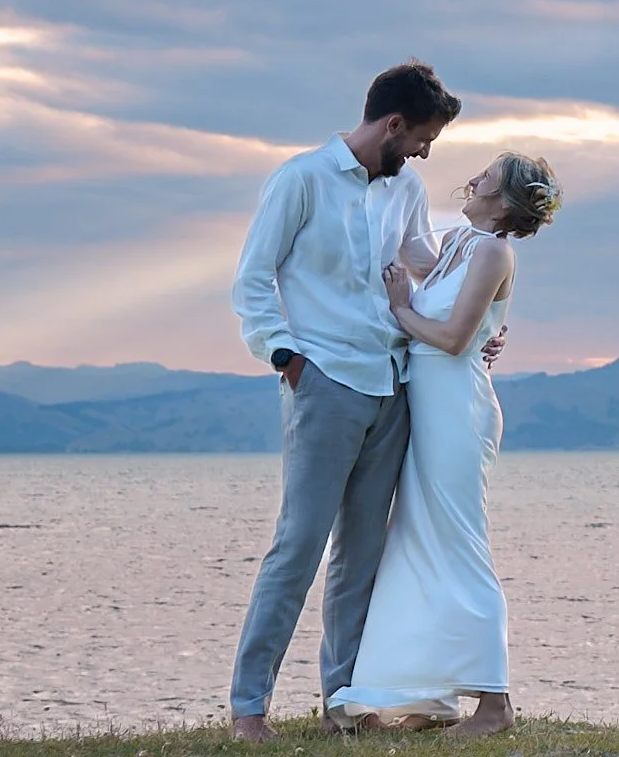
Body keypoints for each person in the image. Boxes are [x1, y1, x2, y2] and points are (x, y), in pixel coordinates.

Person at [226, 61, 503, 742]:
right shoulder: (300, 180)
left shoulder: (406, 188)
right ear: (393, 123)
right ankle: (248, 709)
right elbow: (253, 279)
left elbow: (428, 264)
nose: (425, 154)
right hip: (324, 384)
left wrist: (483, 322)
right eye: (422, 139)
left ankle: (340, 705)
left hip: (394, 386)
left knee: (361, 557)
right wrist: (286, 358)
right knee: (297, 548)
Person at [324, 151, 563, 738]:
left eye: (487, 176)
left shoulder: (492, 250)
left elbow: (456, 339)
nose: (474, 177)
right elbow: (462, 313)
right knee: (417, 543)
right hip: (428, 409)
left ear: (504, 201)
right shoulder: (459, 240)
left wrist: (403, 309)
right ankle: (424, 692)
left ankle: (496, 705)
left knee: (459, 545)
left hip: (457, 411)